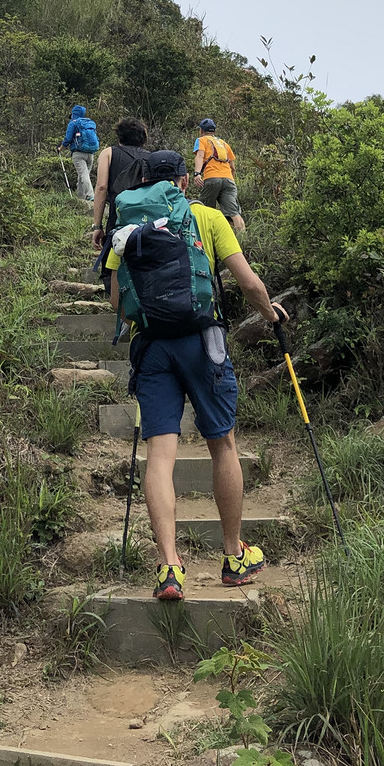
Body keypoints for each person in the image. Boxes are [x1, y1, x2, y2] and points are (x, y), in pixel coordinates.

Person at [105, 150, 287, 602]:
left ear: (143, 182)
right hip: (203, 342)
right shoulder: (205, 217)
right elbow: (247, 282)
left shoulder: (125, 225)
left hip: (151, 348)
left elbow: (115, 303)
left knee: (160, 455)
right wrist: (270, 313)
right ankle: (233, 555)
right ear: (184, 181)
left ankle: (170, 568)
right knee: (222, 443)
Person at [90, 116, 151, 255]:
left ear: (119, 135)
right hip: (145, 218)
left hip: (117, 217)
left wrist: (97, 226)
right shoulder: (152, 158)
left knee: (113, 264)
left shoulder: (109, 153)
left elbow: (101, 187)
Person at [193, 117, 244, 234]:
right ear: (214, 131)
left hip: (212, 178)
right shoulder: (224, 143)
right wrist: (230, 180)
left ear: (201, 130)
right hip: (228, 179)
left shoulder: (201, 140)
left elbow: (200, 156)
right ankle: (243, 238)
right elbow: (233, 167)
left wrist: (197, 174)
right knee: (234, 213)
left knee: (206, 210)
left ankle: (208, 237)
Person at [59, 105, 99, 202]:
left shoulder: (73, 123)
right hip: (91, 153)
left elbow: (68, 139)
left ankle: (90, 195)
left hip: (78, 154)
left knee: (83, 175)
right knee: (83, 176)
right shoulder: (89, 123)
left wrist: (61, 148)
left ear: (73, 114)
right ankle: (80, 198)